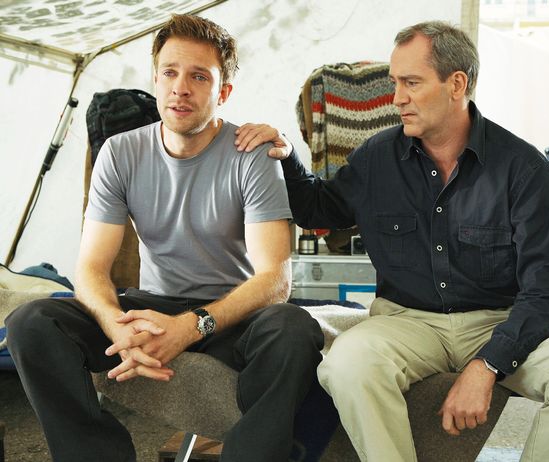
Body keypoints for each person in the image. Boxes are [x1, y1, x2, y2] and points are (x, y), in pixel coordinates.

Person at [236, 21, 549, 462]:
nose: (396, 98)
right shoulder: (377, 159)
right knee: (347, 364)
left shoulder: (524, 170)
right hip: (406, 323)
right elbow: (319, 210)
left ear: (456, 84)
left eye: (411, 83)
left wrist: (488, 364)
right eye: (395, 83)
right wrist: (286, 155)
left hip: (500, 321)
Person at [6, 14, 323, 462]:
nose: (181, 88)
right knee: (32, 321)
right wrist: (115, 323)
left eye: (199, 76)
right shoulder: (120, 152)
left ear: (223, 92)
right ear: (155, 80)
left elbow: (275, 280)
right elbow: (91, 268)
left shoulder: (251, 154)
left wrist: (190, 328)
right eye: (170, 73)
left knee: (293, 328)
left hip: (228, 315)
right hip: (151, 305)